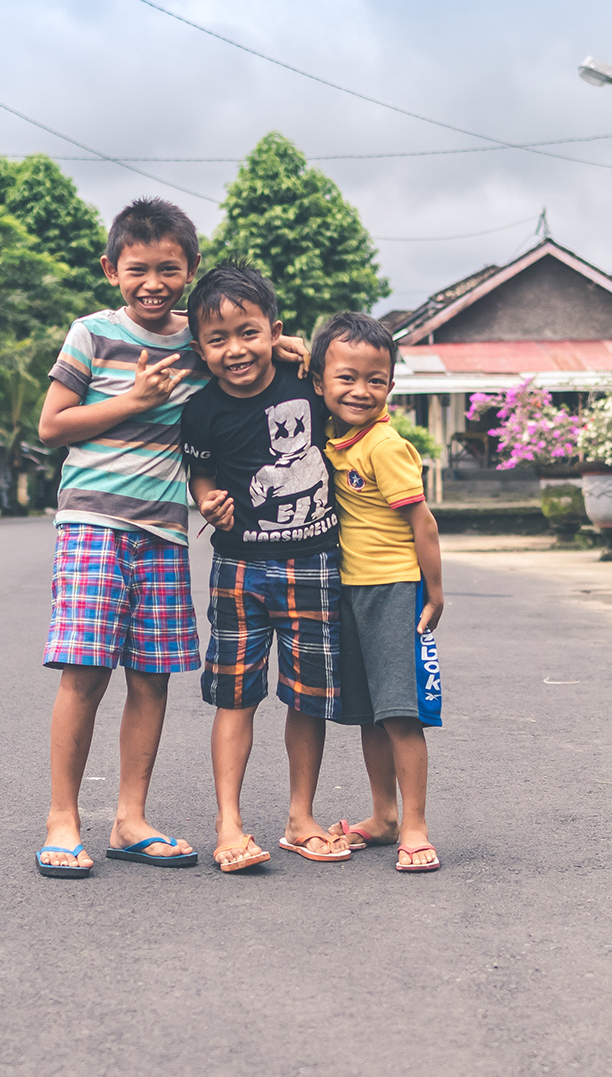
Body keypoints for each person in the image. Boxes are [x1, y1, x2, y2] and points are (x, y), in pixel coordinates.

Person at [32, 197, 209, 878]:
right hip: (92, 525)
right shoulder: (92, 333)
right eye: (138, 269)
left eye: (169, 268)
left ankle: (130, 818)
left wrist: (286, 345)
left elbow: (250, 351)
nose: (153, 283)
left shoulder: (198, 341)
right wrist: (133, 403)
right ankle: (62, 820)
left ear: (191, 268)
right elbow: (52, 425)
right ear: (111, 270)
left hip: (165, 532)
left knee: (153, 677)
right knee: (85, 673)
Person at [182, 261, 353, 873]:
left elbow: (359, 397)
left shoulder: (305, 380)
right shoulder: (201, 412)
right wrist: (206, 499)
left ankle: (300, 817)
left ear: (274, 330)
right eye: (218, 339)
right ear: (199, 349)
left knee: (306, 696)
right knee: (237, 697)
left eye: (249, 332)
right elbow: (200, 470)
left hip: (314, 562)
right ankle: (229, 823)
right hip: (238, 569)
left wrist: (306, 353)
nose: (236, 349)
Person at [313, 312, 445, 874]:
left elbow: (424, 523)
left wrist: (433, 594)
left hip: (393, 589)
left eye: (376, 380)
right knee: (369, 712)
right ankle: (383, 815)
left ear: (391, 386)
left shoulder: (385, 446)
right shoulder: (332, 435)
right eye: (346, 378)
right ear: (319, 384)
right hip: (351, 591)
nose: (360, 390)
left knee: (401, 712)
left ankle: (414, 826)